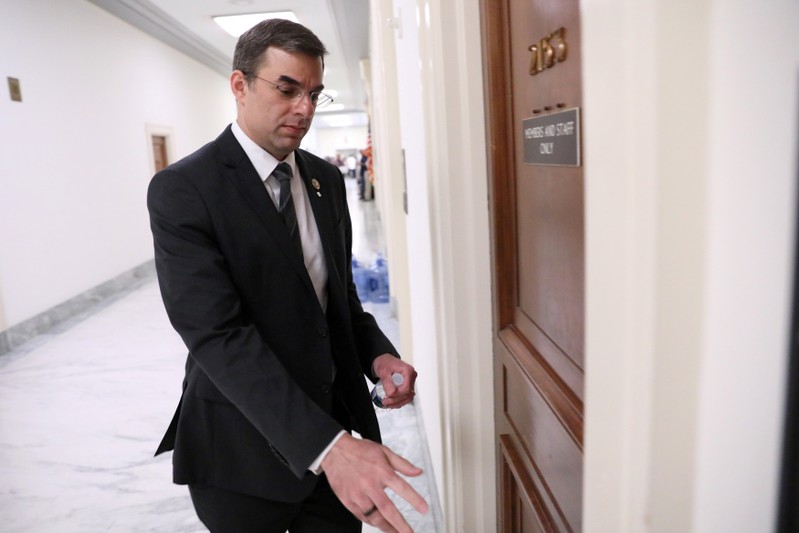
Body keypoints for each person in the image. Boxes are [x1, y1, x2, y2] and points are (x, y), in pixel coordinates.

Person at [147, 18, 428, 533]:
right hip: (240, 451)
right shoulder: (185, 189)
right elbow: (218, 335)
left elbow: (337, 297)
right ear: (240, 85)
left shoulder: (325, 180)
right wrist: (328, 448)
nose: (304, 109)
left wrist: (377, 354)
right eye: (287, 89)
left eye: (314, 93)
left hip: (336, 428)